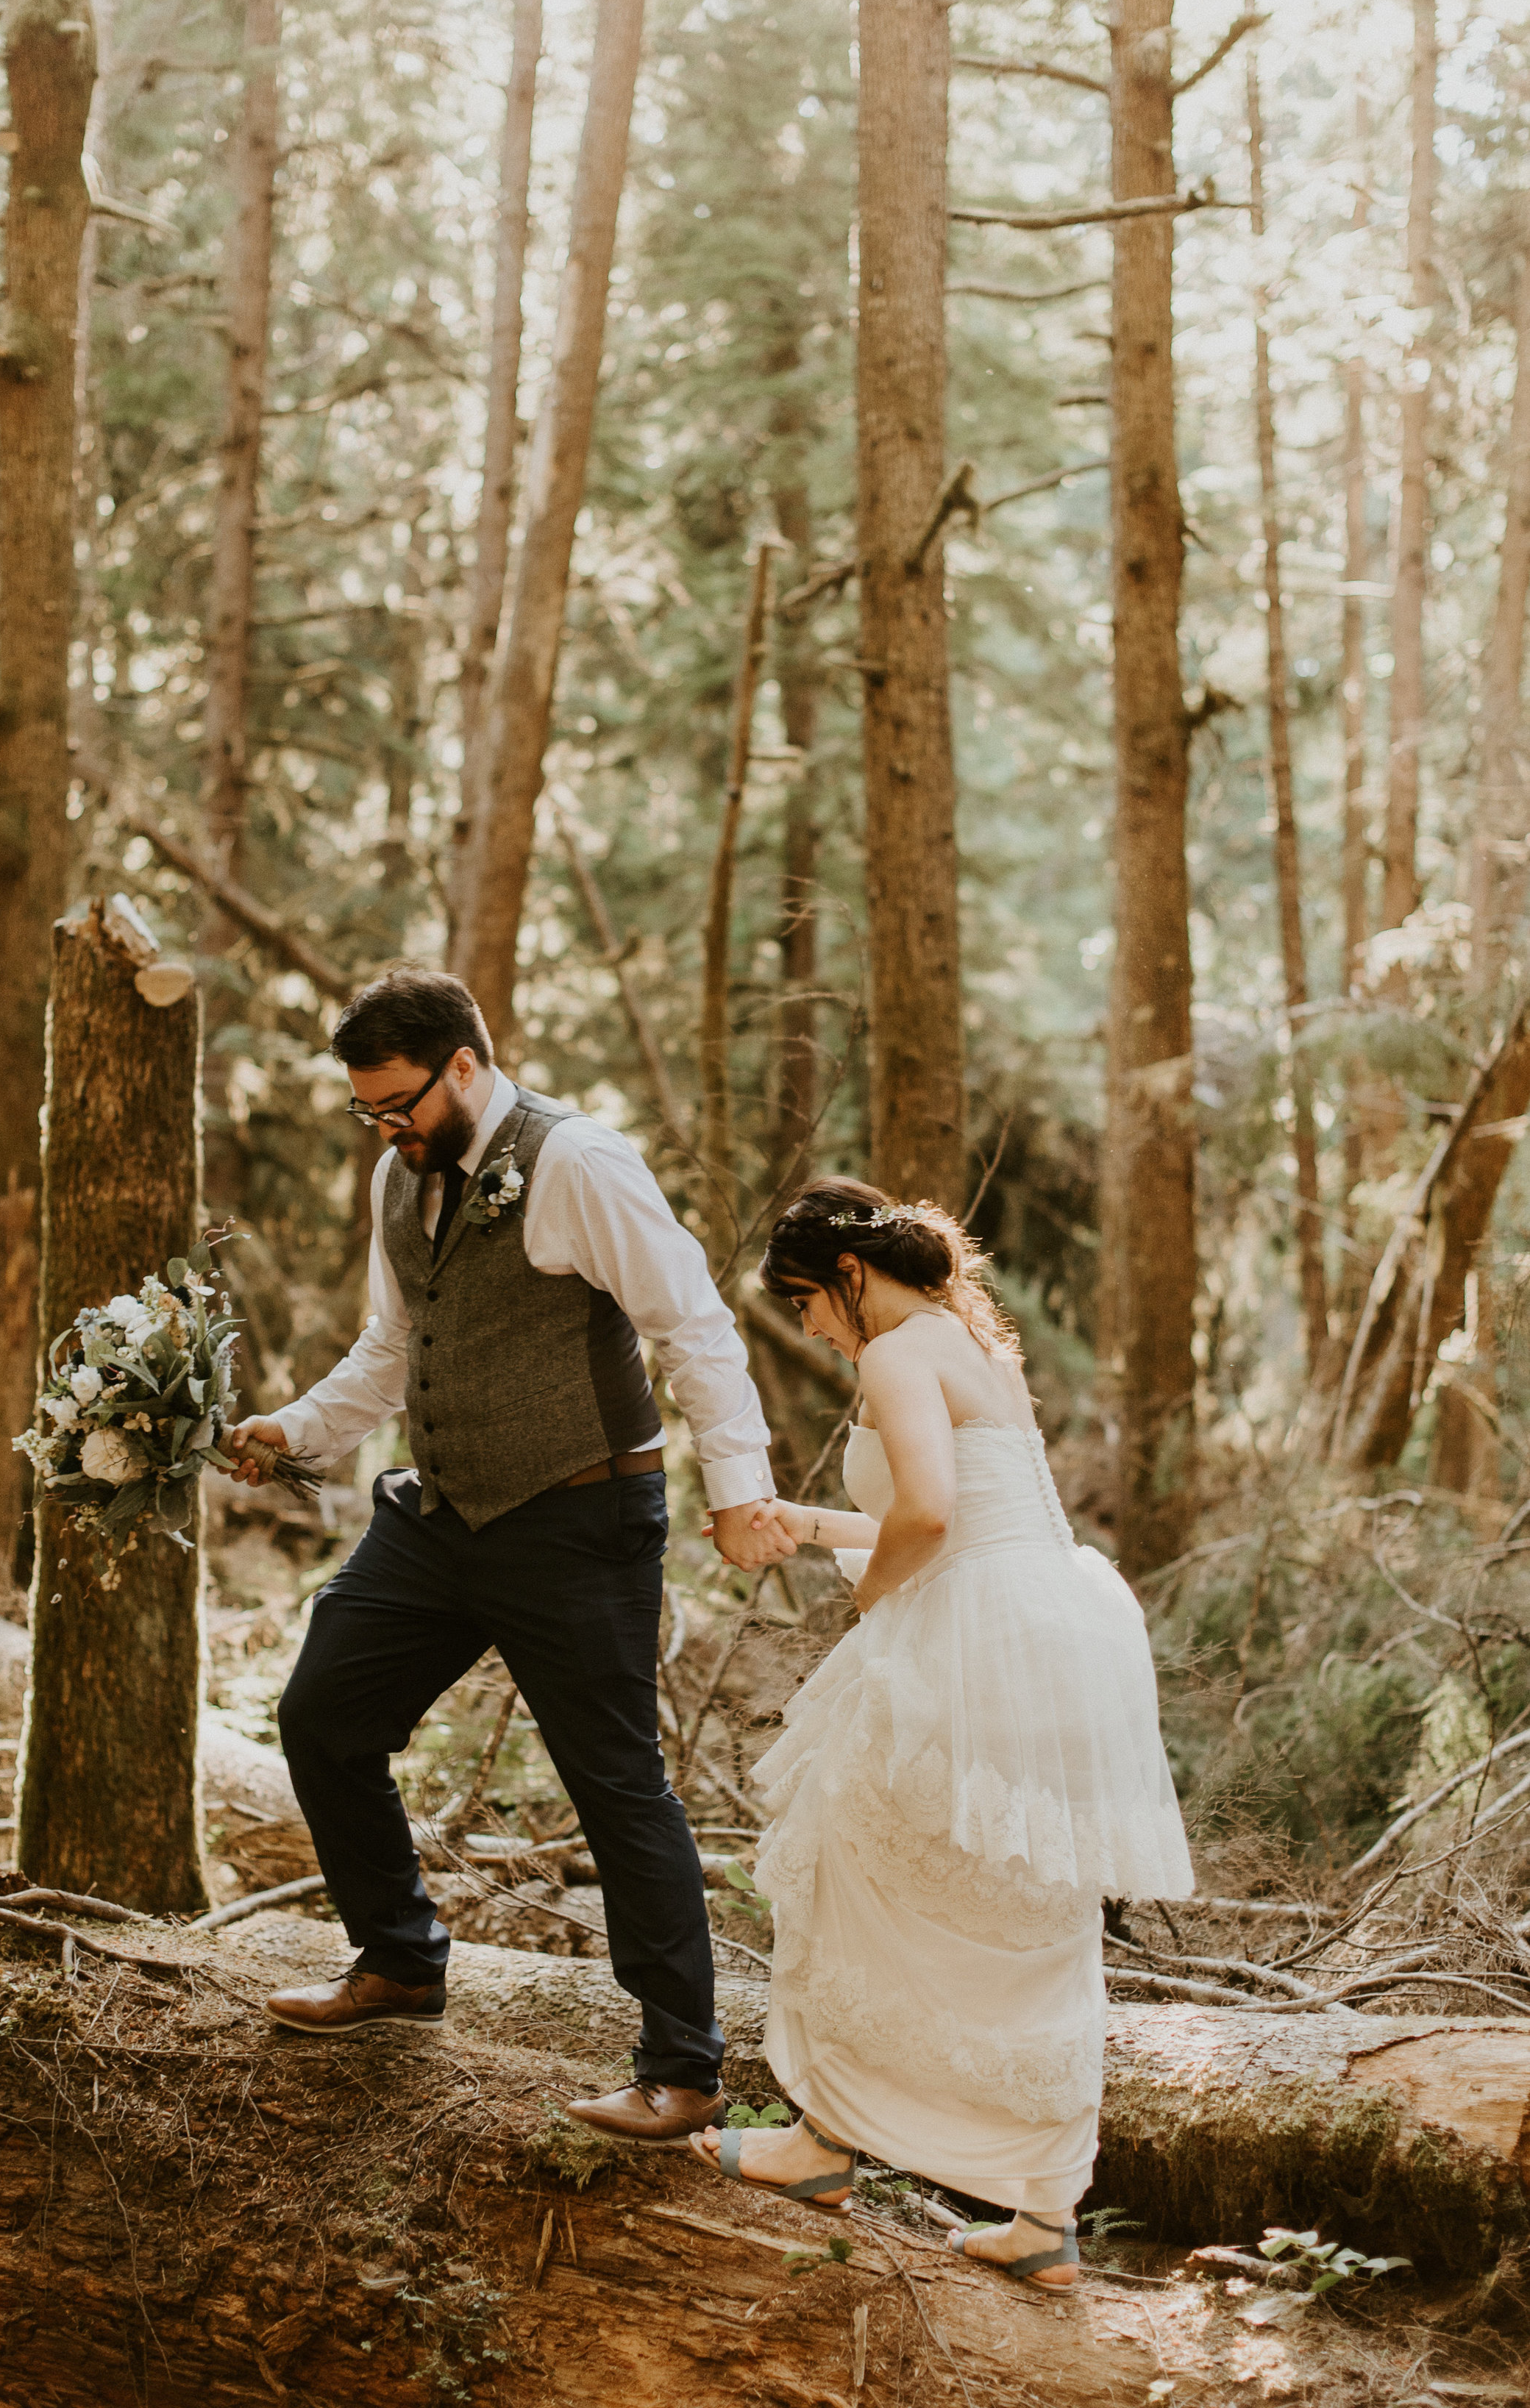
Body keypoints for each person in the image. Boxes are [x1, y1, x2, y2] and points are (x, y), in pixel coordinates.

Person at [226, 966, 793, 2142]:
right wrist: (294, 1429)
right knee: (324, 1710)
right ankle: (399, 1961)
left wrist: (739, 1491)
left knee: (614, 1778)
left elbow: (690, 1323)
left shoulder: (577, 1161)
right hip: (440, 1515)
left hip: (580, 1517)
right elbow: (394, 1343)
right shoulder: (401, 1175)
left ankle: (682, 2066)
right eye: (367, 1110)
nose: (385, 1128)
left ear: (466, 1067)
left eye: (400, 1103)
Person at [689, 1178, 1192, 2289]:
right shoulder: (974, 1345)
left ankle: (821, 2143)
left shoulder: (895, 1354)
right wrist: (810, 1524)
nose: (813, 1325)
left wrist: (870, 1605)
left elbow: (924, 1518)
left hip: (970, 1636)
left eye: (809, 1300)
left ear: (851, 1276)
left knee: (849, 1862)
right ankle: (1046, 2213)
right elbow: (967, 1512)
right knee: (1027, 1908)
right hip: (1047, 1630)